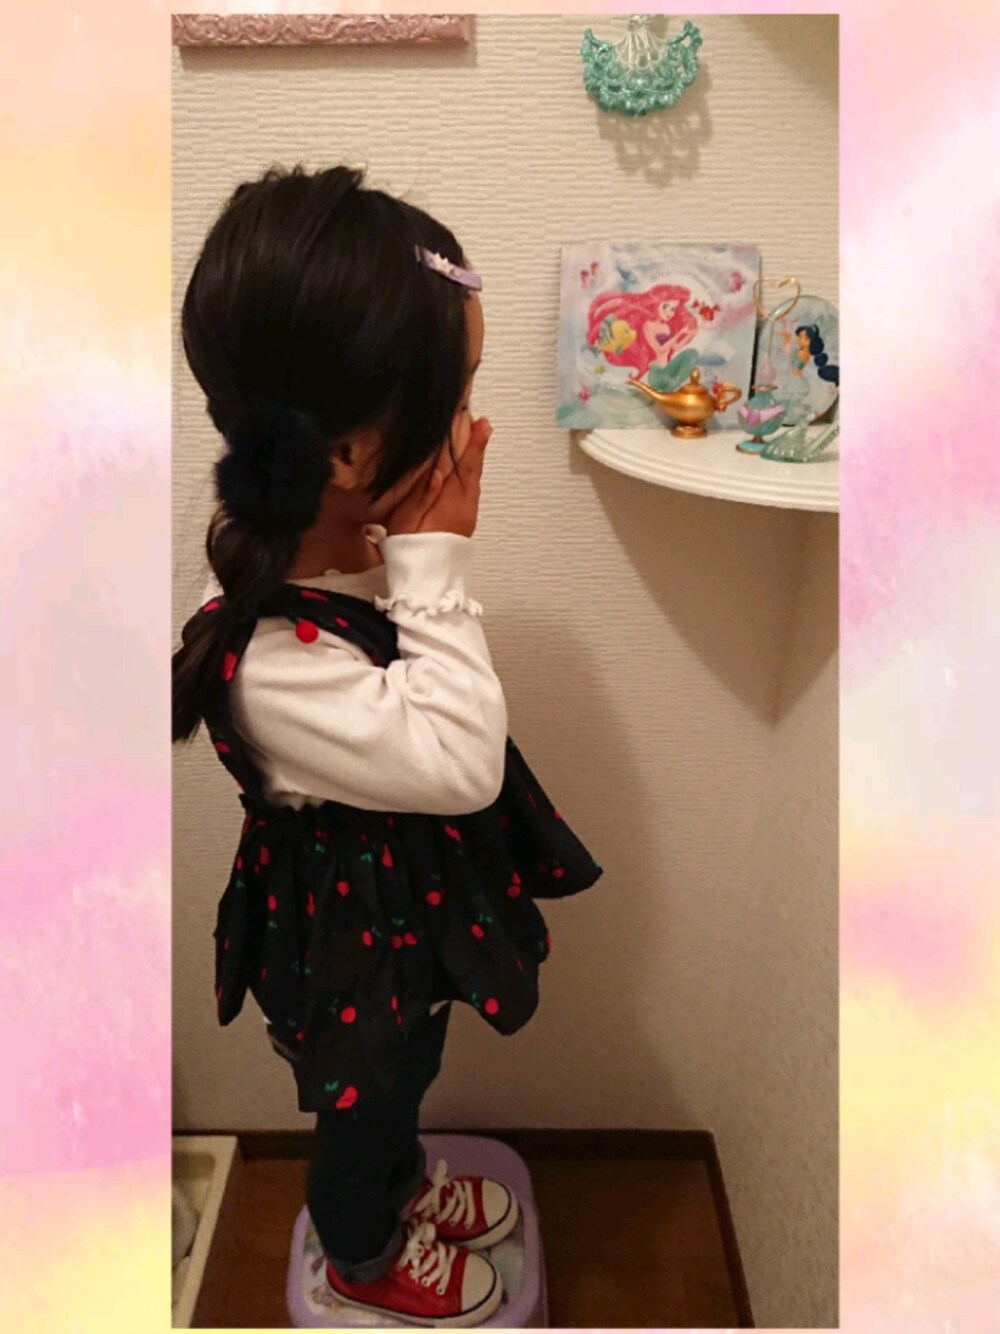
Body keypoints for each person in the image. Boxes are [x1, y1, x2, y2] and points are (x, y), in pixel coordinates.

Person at [172, 164, 601, 1326]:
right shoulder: (273, 663)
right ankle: (362, 1251)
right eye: (458, 392)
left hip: (400, 909)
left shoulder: (340, 551)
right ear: (353, 456)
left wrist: (410, 559)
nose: (472, 424)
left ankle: (404, 1186)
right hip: (346, 942)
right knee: (363, 1110)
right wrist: (436, 556)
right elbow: (459, 759)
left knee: (407, 1078)